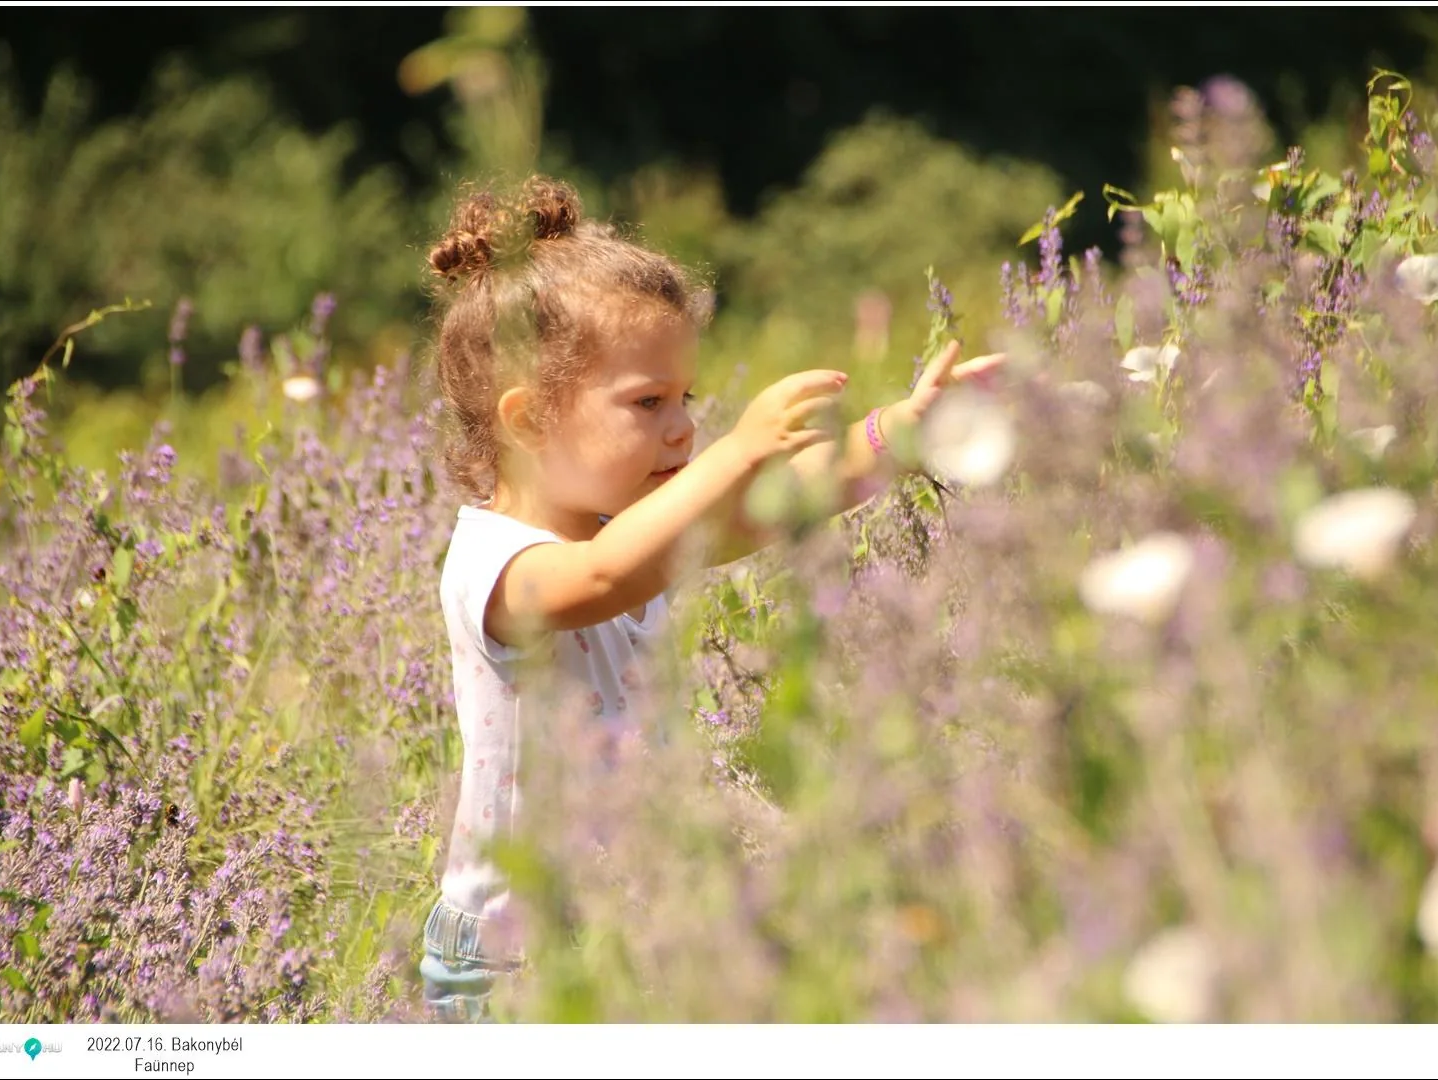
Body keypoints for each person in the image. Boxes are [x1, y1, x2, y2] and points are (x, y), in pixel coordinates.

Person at [417, 174, 1001, 1021]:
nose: (684, 427)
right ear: (529, 420)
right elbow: (603, 578)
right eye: (647, 403)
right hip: (515, 958)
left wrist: (894, 433)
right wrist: (736, 454)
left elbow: (773, 505)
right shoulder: (495, 563)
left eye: (684, 399)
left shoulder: (635, 527)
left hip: (632, 917)